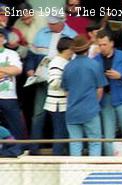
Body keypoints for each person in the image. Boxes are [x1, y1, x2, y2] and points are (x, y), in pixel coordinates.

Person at [26, 11, 77, 154]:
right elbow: (31, 55)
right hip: (42, 80)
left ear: (62, 22)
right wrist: (30, 69)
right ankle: (34, 149)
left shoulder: (71, 35)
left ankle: (63, 150)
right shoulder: (41, 33)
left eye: (54, 23)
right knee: (38, 115)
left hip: (61, 83)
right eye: (49, 22)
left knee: (63, 120)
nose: (50, 25)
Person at [62, 36, 106, 157]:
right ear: (87, 49)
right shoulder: (94, 65)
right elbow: (100, 89)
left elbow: (66, 91)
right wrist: (94, 103)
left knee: (75, 143)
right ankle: (92, 171)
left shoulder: (68, 67)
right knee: (95, 142)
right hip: (90, 109)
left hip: (72, 110)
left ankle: (75, 172)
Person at [44, 37, 74, 156]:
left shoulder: (65, 62)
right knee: (60, 132)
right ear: (67, 49)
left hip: (63, 103)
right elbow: (53, 82)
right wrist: (68, 86)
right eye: (72, 49)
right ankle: (56, 158)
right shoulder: (57, 62)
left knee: (64, 132)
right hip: (57, 104)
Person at [0, 28, 27, 143]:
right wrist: (7, 70)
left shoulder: (11, 53)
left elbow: (17, 70)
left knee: (15, 125)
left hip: (9, 96)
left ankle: (19, 148)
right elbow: (11, 69)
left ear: (4, 39)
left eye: (0, 37)